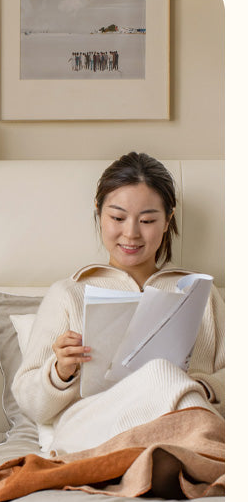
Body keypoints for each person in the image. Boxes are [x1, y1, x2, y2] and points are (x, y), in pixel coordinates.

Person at [12, 152, 225, 454]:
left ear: (168, 221)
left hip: (179, 421)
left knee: (164, 377)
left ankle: (169, 460)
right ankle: (212, 458)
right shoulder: (68, 294)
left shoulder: (201, 294)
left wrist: (195, 387)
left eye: (148, 220)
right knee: (159, 372)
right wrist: (61, 371)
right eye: (117, 217)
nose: (131, 233)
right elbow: (31, 403)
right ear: (99, 213)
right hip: (95, 430)